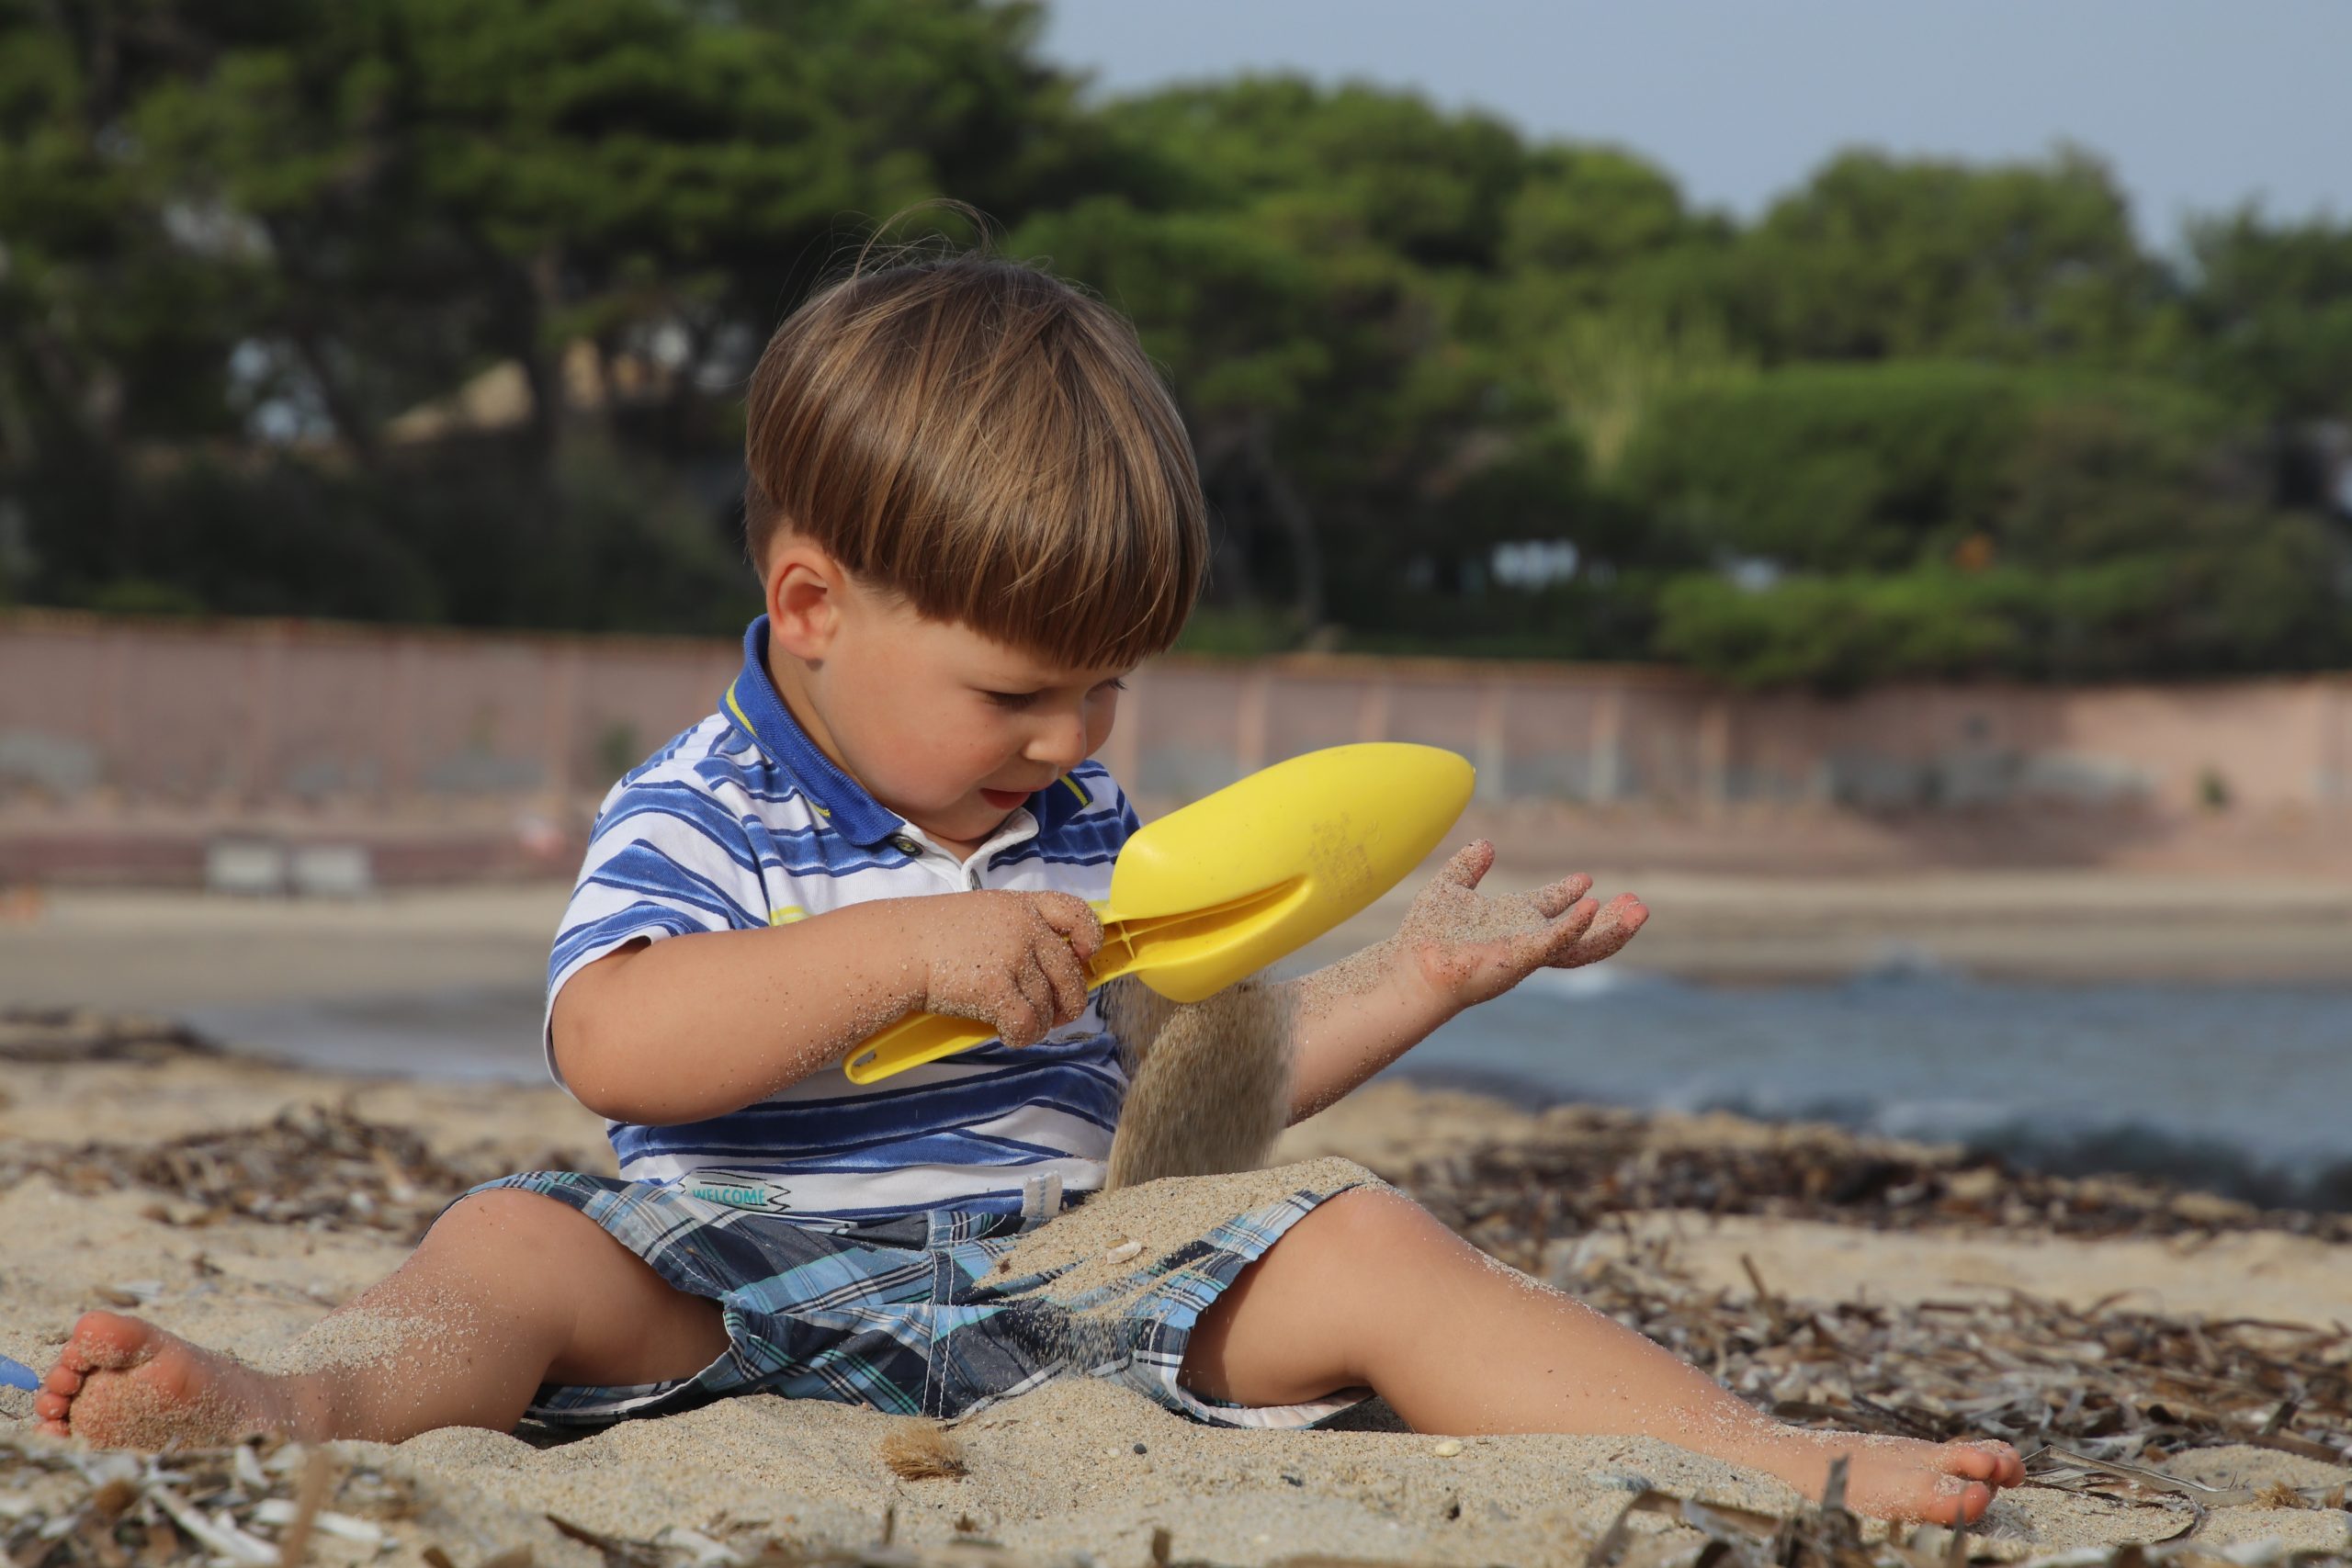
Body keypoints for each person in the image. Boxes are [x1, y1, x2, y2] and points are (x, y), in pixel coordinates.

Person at [34, 248, 2022, 1524]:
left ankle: (1754, 1449)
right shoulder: (706, 804)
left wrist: (1412, 985)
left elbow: (1177, 1104)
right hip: (732, 1270)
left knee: (1366, 1237)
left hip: (1059, 1280)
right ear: (811, 604)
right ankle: (274, 1393)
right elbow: (613, 1046)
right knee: (504, 1247)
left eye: (1106, 688)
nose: (1067, 735)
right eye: (1013, 690)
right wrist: (903, 944)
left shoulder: (1081, 816)